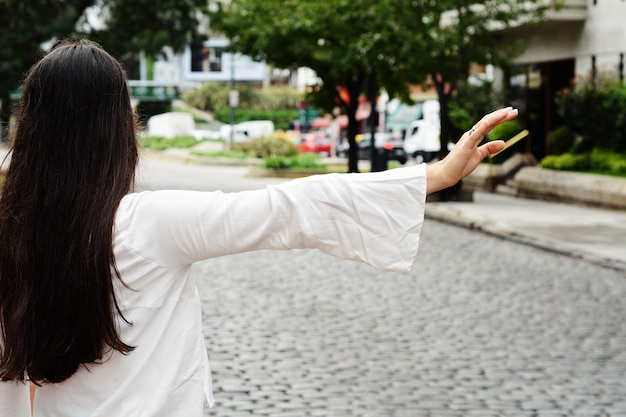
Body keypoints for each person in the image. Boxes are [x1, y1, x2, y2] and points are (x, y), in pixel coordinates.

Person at [0, 39, 516, 417]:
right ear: (115, 129)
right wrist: (438, 174)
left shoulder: (12, 231)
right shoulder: (146, 224)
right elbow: (291, 206)